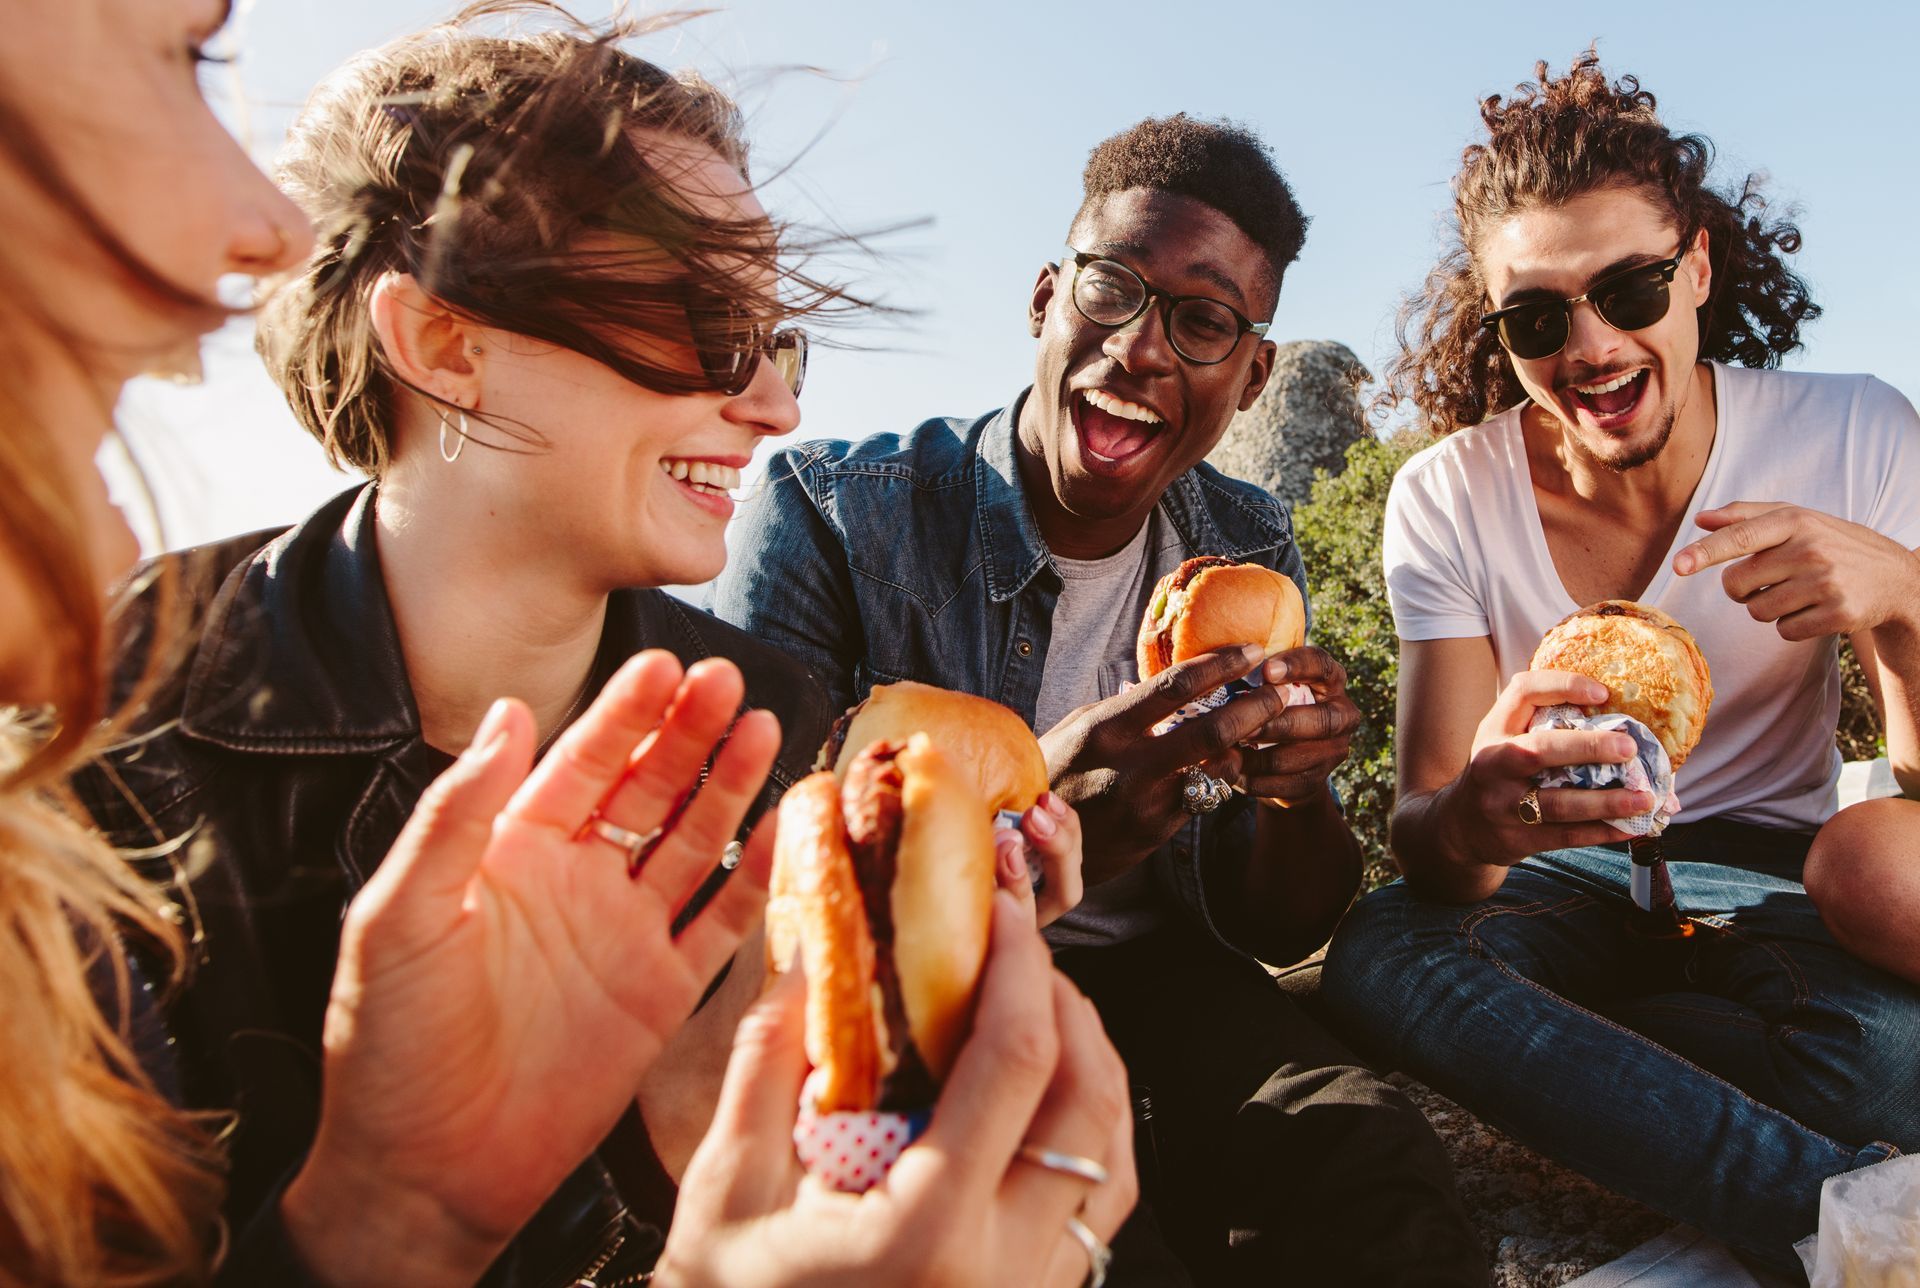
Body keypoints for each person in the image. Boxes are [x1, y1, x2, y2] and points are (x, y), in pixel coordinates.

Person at [43, 2, 1114, 1285]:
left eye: (777, 340)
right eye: (707, 321)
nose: (773, 404)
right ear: (446, 345)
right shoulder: (106, 750)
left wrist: (912, 1015)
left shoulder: (769, 726)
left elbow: (779, 1183)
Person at [714, 113, 1487, 1285]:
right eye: (1113, 290)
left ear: (1252, 372)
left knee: (1385, 1191)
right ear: (1045, 299)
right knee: (1091, 1256)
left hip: (1165, 981)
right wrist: (1035, 807)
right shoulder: (832, 513)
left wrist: (1295, 797)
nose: (1143, 349)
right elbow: (754, 884)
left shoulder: (1248, 544)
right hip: (925, 1008)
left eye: (1204, 320)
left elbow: (1287, 927)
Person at [1320, 50, 1920, 1271]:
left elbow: (1914, 790)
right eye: (1539, 316)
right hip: (1556, 880)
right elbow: (1422, 834)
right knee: (1385, 953)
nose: (1590, 346)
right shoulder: (1449, 495)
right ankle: (1840, 1221)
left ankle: (1585, 1060)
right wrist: (1480, 814)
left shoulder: (1853, 431)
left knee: (1888, 1061)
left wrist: (1904, 601)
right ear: (1500, 329)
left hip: (1773, 877)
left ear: (1695, 267)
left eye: (1632, 288)